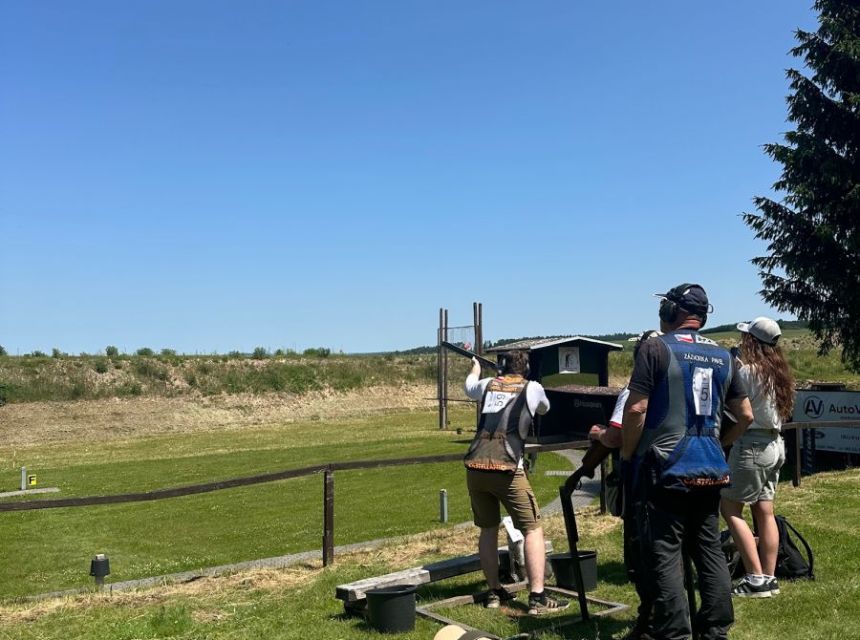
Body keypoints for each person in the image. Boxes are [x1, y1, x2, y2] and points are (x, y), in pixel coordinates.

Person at [621, 283, 754, 640]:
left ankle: (675, 633)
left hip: (664, 469)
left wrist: (628, 452)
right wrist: (718, 444)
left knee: (664, 554)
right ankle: (715, 630)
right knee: (709, 550)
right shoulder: (724, 356)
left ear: (671, 312)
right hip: (710, 468)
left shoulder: (654, 348)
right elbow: (745, 415)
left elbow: (635, 409)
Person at [564, 330, 662, 640]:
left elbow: (617, 435)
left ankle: (649, 622)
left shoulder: (634, 390)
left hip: (642, 478)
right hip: (673, 475)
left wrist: (597, 435)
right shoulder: (674, 386)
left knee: (641, 552)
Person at [463, 350, 569, 615]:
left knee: (488, 530)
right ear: (527, 368)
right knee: (532, 529)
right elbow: (544, 408)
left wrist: (476, 368)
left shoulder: (487, 384)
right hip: (508, 468)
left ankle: (494, 592)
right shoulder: (532, 388)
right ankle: (537, 596)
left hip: (476, 466)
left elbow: (469, 386)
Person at [720, 317, 794, 598]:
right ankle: (769, 578)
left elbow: (738, 410)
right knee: (765, 512)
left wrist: (727, 439)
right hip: (775, 444)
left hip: (752, 445)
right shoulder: (778, 372)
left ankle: (754, 577)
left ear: (752, 341)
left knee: (730, 508)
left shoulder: (748, 372)